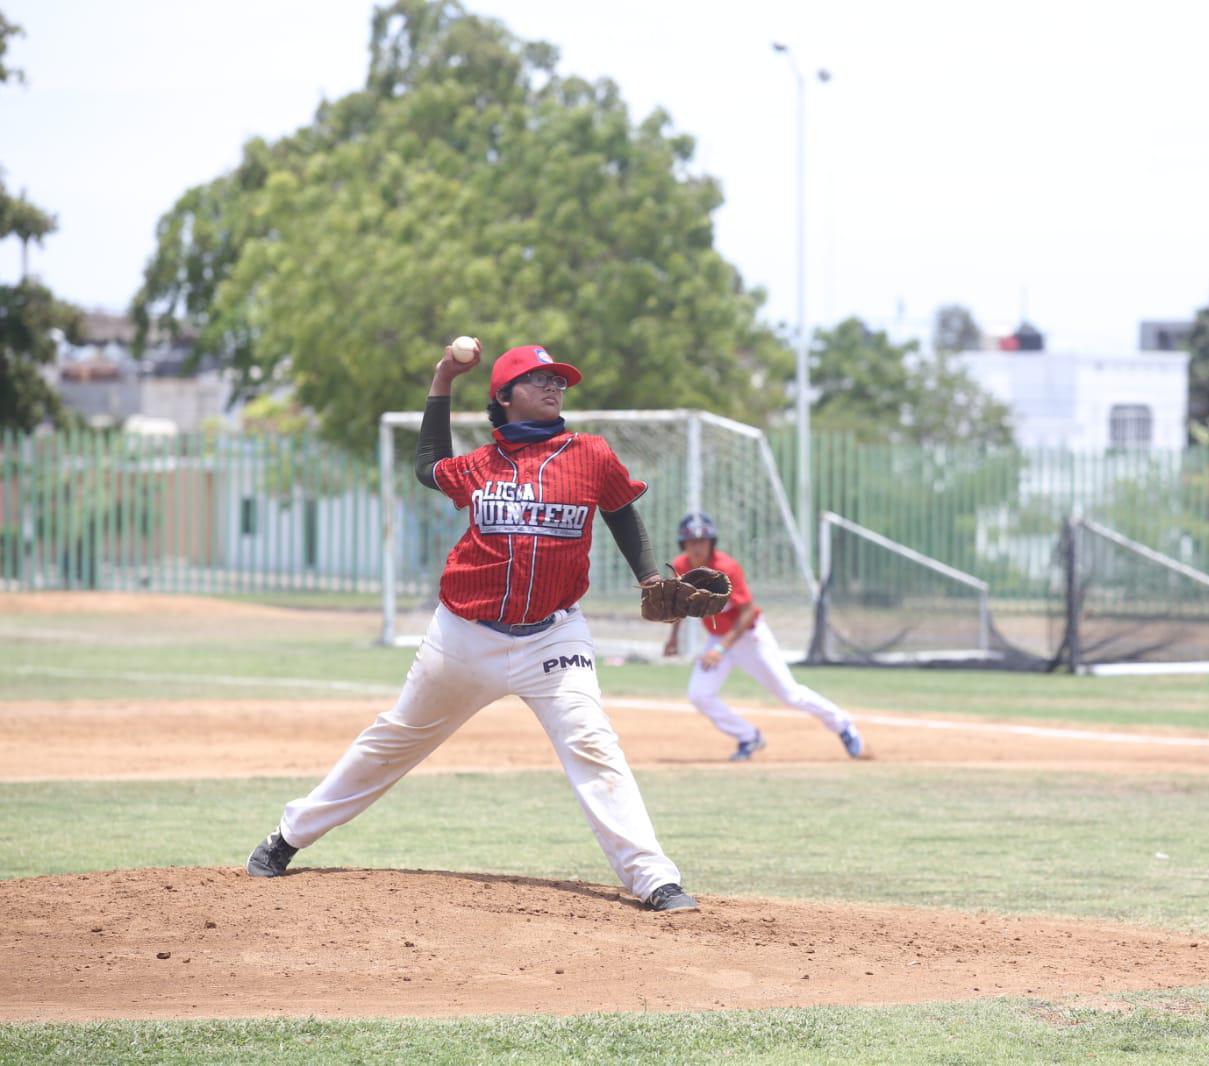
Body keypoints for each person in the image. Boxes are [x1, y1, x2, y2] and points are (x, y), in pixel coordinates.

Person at [246, 341, 699, 911]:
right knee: (394, 740)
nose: (554, 387)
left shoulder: (590, 454)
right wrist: (442, 377)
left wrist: (650, 577)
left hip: (554, 636)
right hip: (463, 636)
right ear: (504, 396)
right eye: (537, 380)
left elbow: (619, 511)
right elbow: (426, 465)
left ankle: (655, 878)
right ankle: (287, 837)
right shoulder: (481, 464)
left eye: (558, 380)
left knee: (593, 743)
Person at [663, 512, 864, 761]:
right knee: (699, 695)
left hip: (749, 637)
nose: (697, 546)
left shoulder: (725, 568)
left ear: (712, 542)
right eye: (691, 542)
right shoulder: (681, 567)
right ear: (683, 545)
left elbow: (746, 611)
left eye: (702, 541)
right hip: (718, 639)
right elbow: (681, 604)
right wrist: (673, 636)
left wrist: (722, 649)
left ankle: (843, 725)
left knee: (790, 695)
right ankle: (749, 736)